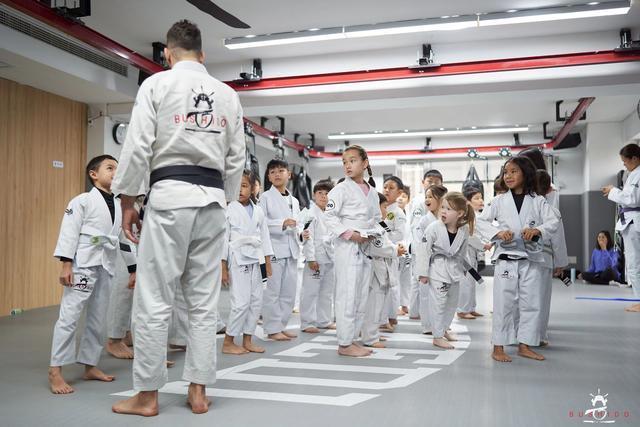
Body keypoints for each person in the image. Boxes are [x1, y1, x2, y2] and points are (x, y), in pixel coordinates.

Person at [111, 20, 245, 416]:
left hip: (170, 198)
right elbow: (237, 157)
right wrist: (225, 200)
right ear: (203, 54)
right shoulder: (228, 95)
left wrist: (128, 200)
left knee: (155, 300)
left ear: (167, 54)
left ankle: (147, 396)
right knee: (203, 302)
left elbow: (138, 146)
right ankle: (198, 391)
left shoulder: (157, 84)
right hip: (213, 200)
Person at [49, 155, 137, 394]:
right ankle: (55, 370)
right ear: (94, 174)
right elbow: (69, 232)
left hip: (106, 265)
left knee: (98, 319)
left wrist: (133, 268)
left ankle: (90, 365)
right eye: (110, 168)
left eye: (117, 168)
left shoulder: (120, 205)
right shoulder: (82, 201)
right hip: (82, 265)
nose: (115, 172)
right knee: (69, 317)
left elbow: (122, 240)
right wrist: (66, 264)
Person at [476, 157, 559, 363]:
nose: (508, 176)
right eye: (506, 172)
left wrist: (537, 230)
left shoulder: (538, 200)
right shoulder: (499, 201)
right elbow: (480, 222)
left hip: (531, 258)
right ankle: (498, 347)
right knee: (504, 303)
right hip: (506, 258)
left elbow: (553, 221)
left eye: (514, 171)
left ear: (526, 173)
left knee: (531, 302)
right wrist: (497, 233)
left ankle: (525, 345)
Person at [324, 145, 381, 357]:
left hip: (365, 246)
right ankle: (344, 343)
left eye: (352, 161)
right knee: (347, 295)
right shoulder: (339, 190)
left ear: (365, 163)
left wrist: (375, 233)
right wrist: (350, 234)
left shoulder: (372, 192)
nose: (348, 165)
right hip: (347, 246)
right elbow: (329, 217)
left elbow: (378, 219)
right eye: (344, 162)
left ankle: (353, 338)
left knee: (360, 295)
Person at [222, 170, 273, 354]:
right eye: (236, 186)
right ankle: (228, 341)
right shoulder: (229, 209)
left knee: (256, 301)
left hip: (257, 258)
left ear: (252, 188)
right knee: (240, 302)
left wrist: (268, 261)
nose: (239, 190)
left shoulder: (258, 210)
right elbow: (223, 239)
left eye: (244, 186)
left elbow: (265, 237)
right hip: (237, 258)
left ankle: (247, 340)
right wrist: (223, 267)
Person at [416, 192, 474, 349]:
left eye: (448, 209)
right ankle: (437, 336)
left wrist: (465, 270)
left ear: (460, 214)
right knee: (438, 303)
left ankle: (444, 329)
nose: (443, 211)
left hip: (454, 270)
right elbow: (423, 250)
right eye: (443, 207)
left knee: (452, 303)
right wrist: (423, 273)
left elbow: (463, 252)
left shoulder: (463, 230)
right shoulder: (433, 228)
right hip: (438, 269)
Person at [260, 159, 305, 341]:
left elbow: (297, 225)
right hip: (274, 250)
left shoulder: (294, 200)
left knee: (288, 292)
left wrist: (302, 234)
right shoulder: (265, 197)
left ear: (289, 174)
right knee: (272, 292)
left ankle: (281, 325)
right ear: (269, 177)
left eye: (280, 170)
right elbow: (261, 223)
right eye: (272, 172)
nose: (277, 174)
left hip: (292, 250)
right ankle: (272, 328)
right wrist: (282, 223)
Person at [362, 192, 406, 348]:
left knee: (378, 306)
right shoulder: (371, 226)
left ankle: (372, 334)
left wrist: (395, 248)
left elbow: (386, 243)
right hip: (375, 270)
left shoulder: (379, 224)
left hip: (382, 269)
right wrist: (395, 250)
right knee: (373, 306)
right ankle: (370, 338)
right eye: (384, 207)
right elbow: (377, 247)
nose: (387, 210)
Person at [602, 143, 640, 312]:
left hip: (634, 222)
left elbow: (632, 199)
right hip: (631, 221)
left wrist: (613, 191)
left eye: (625, 161)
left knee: (634, 263)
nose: (624, 164)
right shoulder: (634, 174)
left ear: (635, 158)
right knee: (634, 263)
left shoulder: (638, 174)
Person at [300, 179, 336, 333]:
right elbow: (308, 238)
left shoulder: (331, 214)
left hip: (330, 258)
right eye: (320, 193)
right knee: (310, 291)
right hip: (316, 259)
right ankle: (307, 322)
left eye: (327, 193)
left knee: (326, 292)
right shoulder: (310, 214)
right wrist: (311, 258)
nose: (323, 196)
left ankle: (324, 320)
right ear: (314, 195)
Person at [413, 185, 448, 333]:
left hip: (443, 264)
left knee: (443, 296)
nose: (427, 199)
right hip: (427, 262)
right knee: (426, 295)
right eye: (426, 196)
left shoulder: (447, 219)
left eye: (430, 197)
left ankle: (441, 325)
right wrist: (422, 269)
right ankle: (428, 325)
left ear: (441, 199)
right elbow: (419, 245)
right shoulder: (423, 221)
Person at [457, 188, 491, 319]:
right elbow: (470, 236)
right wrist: (483, 245)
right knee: (466, 282)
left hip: (472, 254)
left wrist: (484, 243)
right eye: (476, 198)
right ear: (467, 201)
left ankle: (471, 308)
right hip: (465, 254)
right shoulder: (465, 216)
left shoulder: (475, 216)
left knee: (471, 281)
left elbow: (478, 234)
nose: (481, 200)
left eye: (481, 197)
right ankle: (462, 310)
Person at [381, 176, 408, 331]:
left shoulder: (397, 212)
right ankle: (387, 317)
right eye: (385, 187)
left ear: (399, 193)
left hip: (390, 252)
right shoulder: (380, 209)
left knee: (391, 286)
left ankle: (390, 317)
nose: (386, 190)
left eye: (391, 188)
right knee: (383, 287)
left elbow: (399, 234)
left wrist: (383, 234)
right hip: (380, 252)